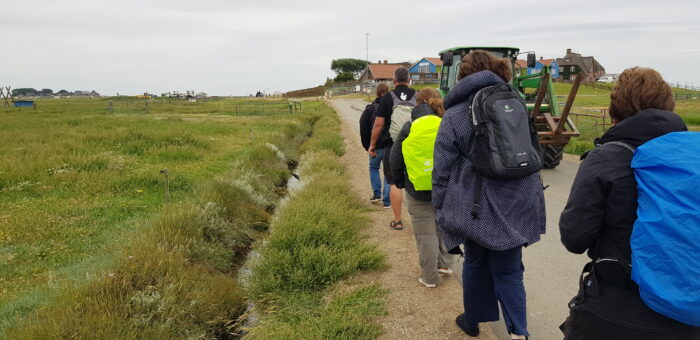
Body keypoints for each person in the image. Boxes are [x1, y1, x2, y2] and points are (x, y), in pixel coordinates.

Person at [559, 67, 700, 339]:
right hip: (689, 316)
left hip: (616, 310)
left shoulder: (608, 157)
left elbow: (574, 238)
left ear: (616, 109)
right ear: (668, 105)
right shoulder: (692, 157)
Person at [432, 50, 545, 339]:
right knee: (508, 270)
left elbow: (442, 170)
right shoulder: (515, 103)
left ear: (462, 76)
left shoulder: (456, 114)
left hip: (476, 204)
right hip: (520, 197)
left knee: (475, 261)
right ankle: (519, 332)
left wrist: (440, 210)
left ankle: (473, 321)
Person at [390, 88, 454, 288]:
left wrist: (401, 182)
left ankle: (429, 277)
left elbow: (395, 157)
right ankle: (444, 265)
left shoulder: (410, 125)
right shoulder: (446, 122)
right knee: (442, 226)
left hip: (417, 188)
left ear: (418, 103)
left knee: (425, 233)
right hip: (444, 187)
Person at [368, 67, 416, 230]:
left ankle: (398, 221)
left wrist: (372, 145)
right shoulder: (417, 96)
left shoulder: (388, 97)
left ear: (394, 82)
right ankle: (419, 219)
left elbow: (379, 124)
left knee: (394, 182)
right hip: (414, 145)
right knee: (415, 180)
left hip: (392, 145)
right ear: (409, 81)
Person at [359, 83, 391, 207]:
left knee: (374, 168)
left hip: (375, 146)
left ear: (377, 93)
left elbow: (363, 128)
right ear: (388, 92)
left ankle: (377, 195)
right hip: (389, 146)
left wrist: (367, 146)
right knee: (389, 173)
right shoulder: (392, 109)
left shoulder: (370, 109)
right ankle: (387, 201)